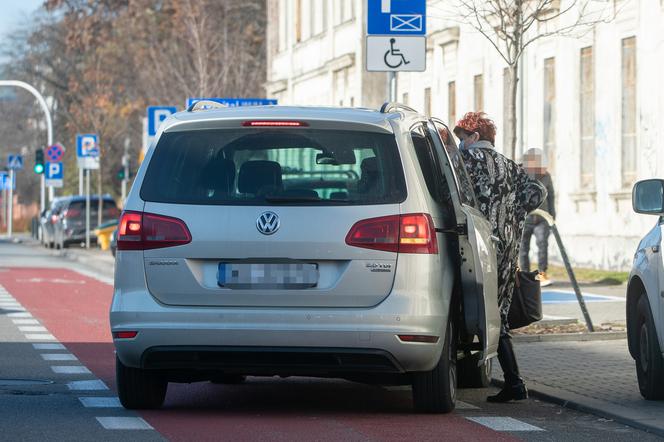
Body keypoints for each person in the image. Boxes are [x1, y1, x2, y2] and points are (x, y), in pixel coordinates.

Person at [453, 112, 546, 403]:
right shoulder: (510, 166)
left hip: (476, 244)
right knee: (498, 312)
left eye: (463, 138)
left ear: (475, 137)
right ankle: (514, 382)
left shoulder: (464, 162)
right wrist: (514, 213)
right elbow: (537, 191)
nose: (461, 144)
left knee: (467, 305)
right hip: (506, 248)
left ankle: (500, 379)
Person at [519, 148, 556, 287]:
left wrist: (552, 216)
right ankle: (526, 275)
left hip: (542, 218)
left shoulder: (546, 176)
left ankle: (542, 273)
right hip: (526, 218)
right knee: (523, 248)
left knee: (542, 244)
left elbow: (551, 196)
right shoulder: (522, 174)